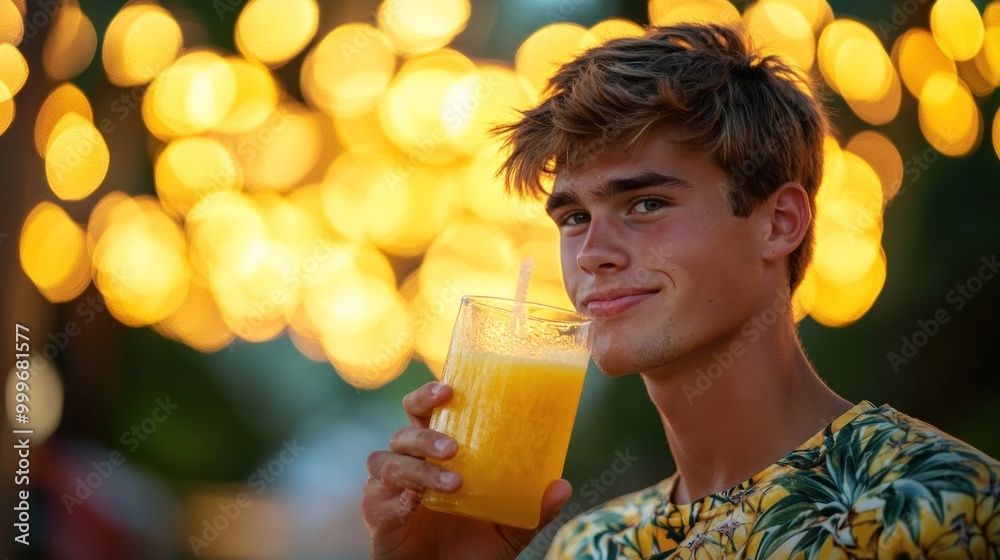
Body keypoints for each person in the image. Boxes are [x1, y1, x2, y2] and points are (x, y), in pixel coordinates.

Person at [362, 22, 1000, 559]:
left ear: (779, 223)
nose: (592, 255)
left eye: (645, 203)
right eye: (574, 217)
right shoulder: (590, 545)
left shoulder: (938, 506)